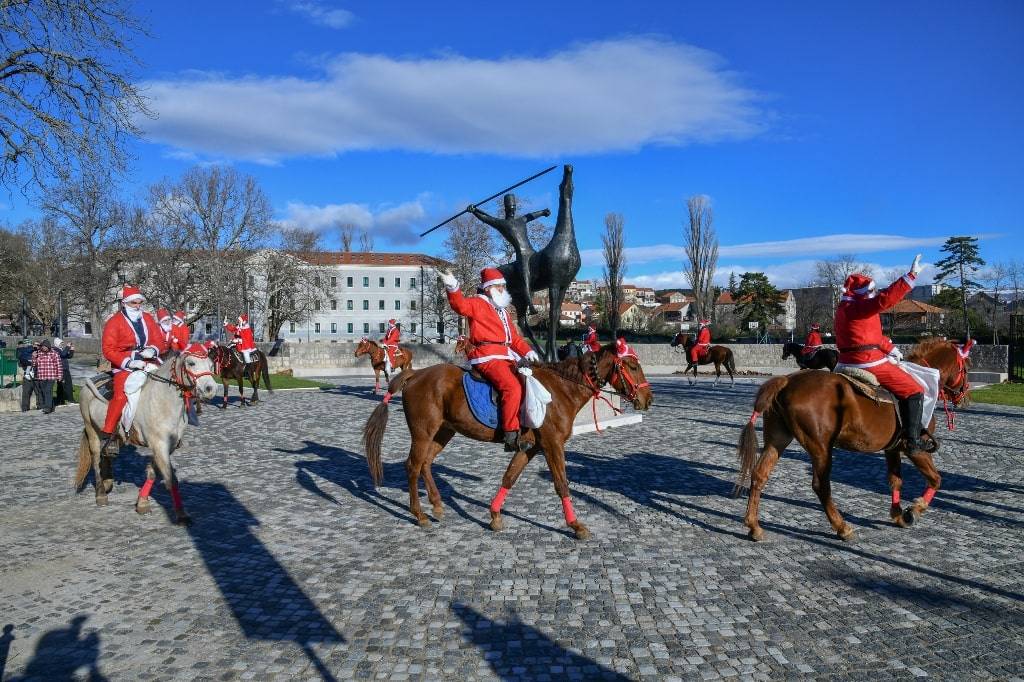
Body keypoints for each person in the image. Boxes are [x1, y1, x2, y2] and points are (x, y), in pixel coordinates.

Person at [834, 254, 930, 452]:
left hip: (845, 360)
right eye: (871, 290)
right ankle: (912, 440)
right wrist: (910, 277)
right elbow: (885, 299)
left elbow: (870, 336)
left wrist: (890, 348)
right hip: (867, 361)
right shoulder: (860, 307)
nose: (874, 292)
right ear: (863, 292)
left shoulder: (846, 308)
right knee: (914, 389)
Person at [439, 266, 540, 452]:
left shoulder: (503, 311)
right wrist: (453, 287)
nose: (503, 289)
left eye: (503, 285)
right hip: (487, 357)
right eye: (499, 286)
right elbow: (460, 305)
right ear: (488, 288)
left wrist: (527, 351)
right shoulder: (478, 303)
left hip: (506, 356)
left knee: (528, 382)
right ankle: (511, 434)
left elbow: (514, 339)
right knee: (512, 387)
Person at [99, 285, 168, 454]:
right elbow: (108, 350)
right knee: (121, 396)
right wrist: (129, 362)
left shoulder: (147, 318)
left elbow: (159, 341)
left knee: (172, 382)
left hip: (150, 360)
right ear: (124, 303)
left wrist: (153, 349)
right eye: (133, 303)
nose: (137, 305)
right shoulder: (114, 322)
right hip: (125, 366)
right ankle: (107, 435)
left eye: (139, 302)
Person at [30, 338, 62, 414]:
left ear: (48, 347)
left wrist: (59, 375)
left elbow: (59, 365)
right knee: (45, 391)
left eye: (45, 346)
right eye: (42, 346)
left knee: (48, 391)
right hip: (41, 376)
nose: (43, 348)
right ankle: (51, 406)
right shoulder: (38, 353)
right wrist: (34, 357)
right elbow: (34, 365)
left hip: (51, 376)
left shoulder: (54, 353)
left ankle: (47, 407)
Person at [17, 339, 42, 411]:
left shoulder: (40, 352)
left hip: (37, 375)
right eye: (35, 345)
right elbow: (22, 358)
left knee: (39, 391)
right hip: (28, 375)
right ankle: (25, 408)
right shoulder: (26, 351)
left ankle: (40, 406)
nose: (37, 346)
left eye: (38, 345)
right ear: (32, 345)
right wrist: (32, 356)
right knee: (26, 392)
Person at [52, 337, 75, 406]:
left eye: (62, 343)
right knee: (63, 385)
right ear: (57, 344)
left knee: (68, 385)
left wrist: (71, 350)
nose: (62, 344)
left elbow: (68, 356)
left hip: (65, 369)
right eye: (61, 343)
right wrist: (67, 347)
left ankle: (63, 400)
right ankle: (66, 400)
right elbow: (63, 354)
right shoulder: (55, 350)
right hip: (61, 370)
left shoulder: (61, 349)